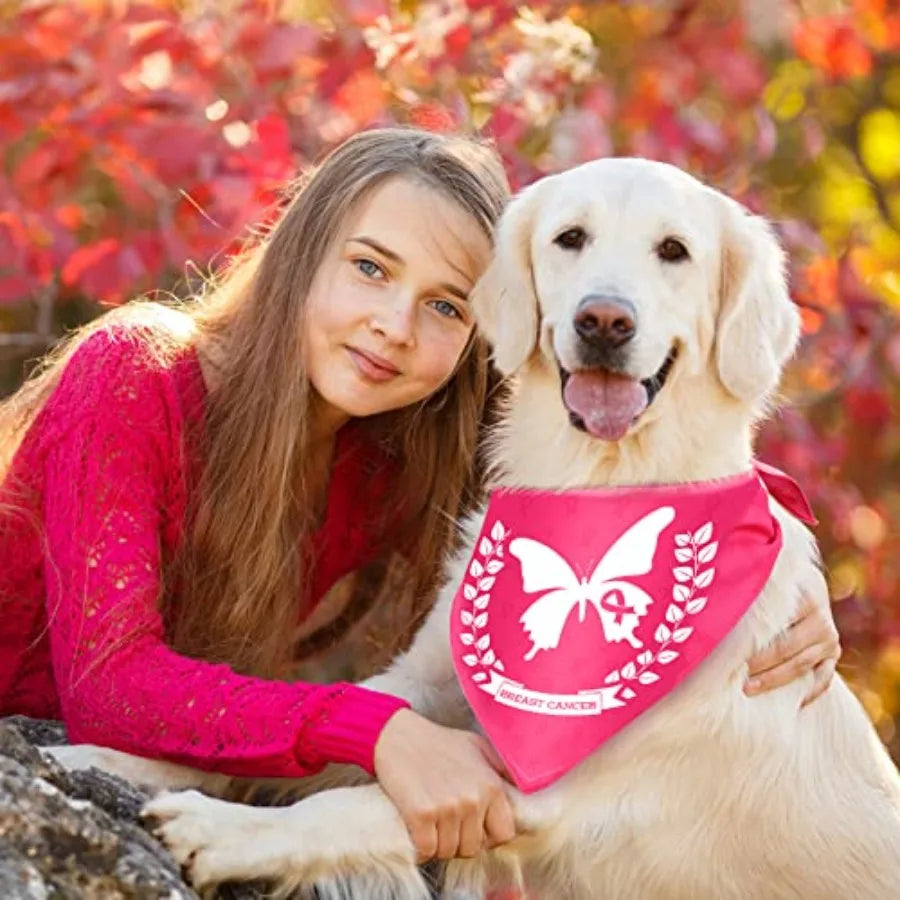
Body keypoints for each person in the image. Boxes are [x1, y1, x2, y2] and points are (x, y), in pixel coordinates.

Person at [0, 127, 840, 864]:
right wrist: (382, 731)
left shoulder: (402, 441)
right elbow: (110, 685)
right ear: (300, 256)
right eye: (369, 268)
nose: (395, 327)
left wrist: (774, 559)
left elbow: (613, 484)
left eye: (444, 305)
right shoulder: (134, 371)